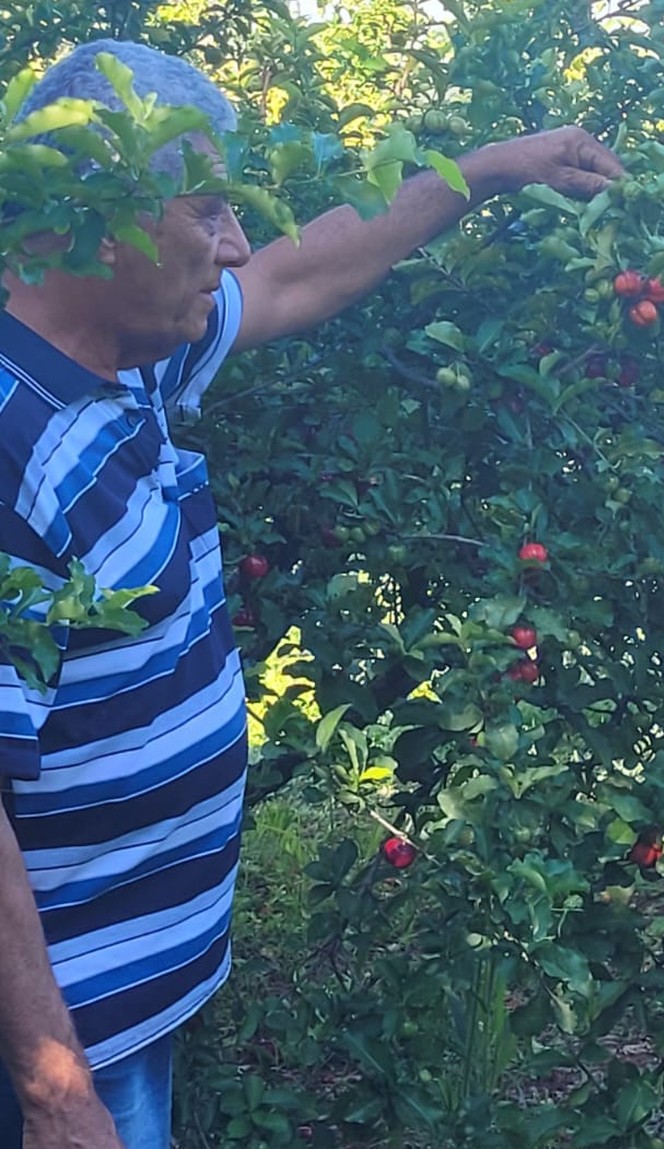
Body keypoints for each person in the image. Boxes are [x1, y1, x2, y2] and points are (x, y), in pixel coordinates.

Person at [0, 36, 624, 1149]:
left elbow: (305, 267)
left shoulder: (125, 356)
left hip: (125, 992)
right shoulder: (10, 446)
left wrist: (486, 169)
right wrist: (53, 1090)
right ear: (91, 224)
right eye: (207, 215)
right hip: (54, 1037)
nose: (238, 249)